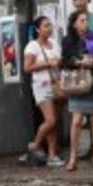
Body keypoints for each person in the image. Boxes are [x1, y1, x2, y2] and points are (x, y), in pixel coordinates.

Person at [61, 10, 93, 171]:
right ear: (73, 23)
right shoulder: (68, 40)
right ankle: (73, 157)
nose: (85, 23)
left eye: (86, 20)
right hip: (78, 82)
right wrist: (80, 62)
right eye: (81, 20)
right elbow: (64, 61)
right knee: (76, 121)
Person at [23, 16, 64, 168]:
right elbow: (27, 67)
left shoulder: (54, 44)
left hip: (57, 84)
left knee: (54, 123)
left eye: (50, 25)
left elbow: (59, 61)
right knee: (50, 120)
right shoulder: (32, 46)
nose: (49, 28)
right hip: (42, 86)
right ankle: (35, 144)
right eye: (46, 25)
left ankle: (52, 155)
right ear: (38, 29)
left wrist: (59, 63)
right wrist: (47, 63)